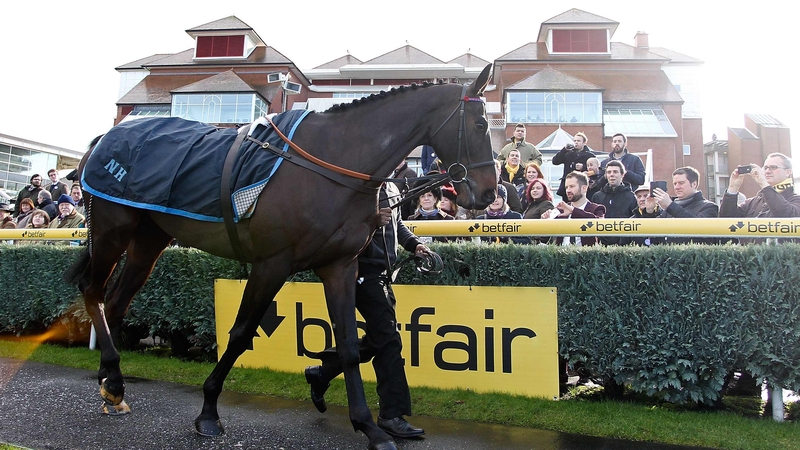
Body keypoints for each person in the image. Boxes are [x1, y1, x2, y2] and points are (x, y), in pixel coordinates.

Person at [305, 182, 427, 440]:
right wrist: (371, 220)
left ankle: (322, 373)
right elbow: (334, 224)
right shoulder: (357, 183)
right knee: (389, 342)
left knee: (377, 340)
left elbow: (397, 225)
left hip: (383, 275)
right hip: (360, 274)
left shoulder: (391, 186)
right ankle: (391, 416)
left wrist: (414, 244)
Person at [719, 153, 800, 244]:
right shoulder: (753, 201)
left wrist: (764, 184)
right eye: (765, 168)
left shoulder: (796, 200)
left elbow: (785, 214)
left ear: (788, 172)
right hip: (750, 256)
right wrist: (732, 188)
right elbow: (726, 219)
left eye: (773, 167)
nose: (767, 171)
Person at [651, 166, 719, 245]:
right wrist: (649, 211)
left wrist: (670, 206)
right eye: (675, 183)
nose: (677, 187)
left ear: (694, 184)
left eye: (681, 183)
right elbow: (653, 232)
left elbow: (699, 229)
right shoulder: (670, 208)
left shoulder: (709, 207)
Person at [546, 171, 606, 246]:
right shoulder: (561, 209)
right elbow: (547, 238)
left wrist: (573, 211)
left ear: (584, 188)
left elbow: (600, 225)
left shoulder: (597, 209)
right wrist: (545, 220)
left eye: (572, 186)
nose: (568, 190)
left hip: (585, 256)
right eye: (566, 187)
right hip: (561, 255)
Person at [590, 160, 637, 245]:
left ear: (622, 175)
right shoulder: (597, 196)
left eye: (615, 172)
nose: (611, 175)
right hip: (601, 247)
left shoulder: (631, 197)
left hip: (625, 247)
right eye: (609, 172)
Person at [552, 132, 595, 198]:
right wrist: (564, 150)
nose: (576, 142)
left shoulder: (590, 155)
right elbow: (555, 161)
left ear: (584, 143)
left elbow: (595, 171)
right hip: (567, 186)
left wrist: (583, 167)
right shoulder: (567, 153)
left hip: (582, 186)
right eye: (574, 141)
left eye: (578, 141)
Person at [523, 179, 555, 244]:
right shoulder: (530, 205)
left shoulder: (546, 204)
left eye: (538, 188)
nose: (535, 190)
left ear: (544, 190)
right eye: (532, 188)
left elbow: (547, 228)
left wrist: (537, 242)